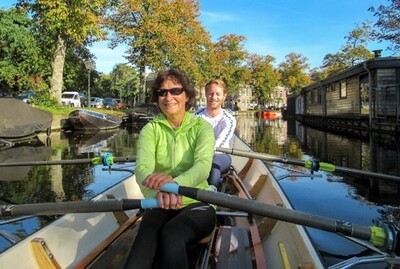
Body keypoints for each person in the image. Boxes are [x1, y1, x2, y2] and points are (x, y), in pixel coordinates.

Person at [125, 68, 216, 269]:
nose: (169, 97)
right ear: (157, 98)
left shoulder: (202, 128)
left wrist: (174, 185)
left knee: (172, 234)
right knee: (141, 250)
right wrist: (156, 192)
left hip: (197, 201)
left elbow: (203, 167)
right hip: (159, 201)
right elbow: (142, 168)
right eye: (162, 92)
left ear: (187, 96)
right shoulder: (151, 129)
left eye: (175, 91)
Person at [195, 79, 237, 188]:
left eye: (218, 94)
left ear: (224, 96)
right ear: (206, 94)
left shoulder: (229, 119)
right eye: (211, 93)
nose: (214, 97)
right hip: (198, 155)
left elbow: (220, 143)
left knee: (213, 164)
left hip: (220, 155)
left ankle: (211, 197)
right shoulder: (196, 117)